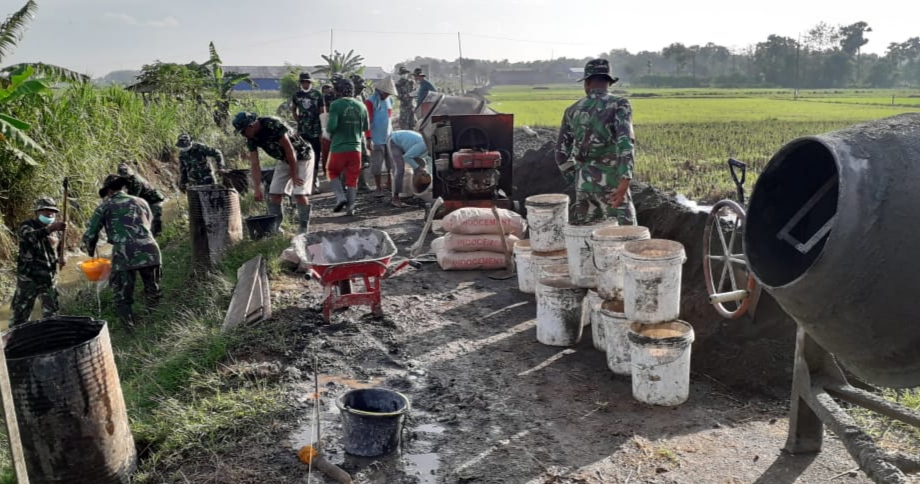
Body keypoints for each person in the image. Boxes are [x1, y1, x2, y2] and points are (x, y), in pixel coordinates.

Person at [555, 59, 636, 226]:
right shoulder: (620, 104)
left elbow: (561, 154)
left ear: (587, 82)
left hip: (583, 186)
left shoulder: (572, 110)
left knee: (588, 238)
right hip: (613, 186)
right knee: (624, 237)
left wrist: (577, 178)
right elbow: (625, 142)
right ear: (608, 82)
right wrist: (625, 179)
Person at [83, 175, 162, 328]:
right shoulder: (141, 201)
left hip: (125, 253)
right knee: (153, 289)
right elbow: (149, 223)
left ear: (109, 191)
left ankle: (129, 329)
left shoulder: (105, 206)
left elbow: (90, 234)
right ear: (123, 188)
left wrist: (91, 251)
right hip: (150, 248)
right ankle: (154, 323)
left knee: (122, 296)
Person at [233, 111, 315, 234]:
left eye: (243, 131)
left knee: (299, 192)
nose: (243, 135)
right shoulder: (251, 139)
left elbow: (290, 150)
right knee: (275, 193)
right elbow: (255, 164)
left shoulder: (272, 124)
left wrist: (294, 174)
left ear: (251, 126)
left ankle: (303, 229)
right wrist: (256, 188)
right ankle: (276, 229)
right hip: (284, 160)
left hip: (302, 156)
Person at [9, 197, 67, 326]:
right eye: (46, 210)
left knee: (52, 314)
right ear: (37, 212)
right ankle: (15, 342)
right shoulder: (27, 226)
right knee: (20, 316)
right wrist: (50, 229)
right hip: (28, 278)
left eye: (53, 211)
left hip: (48, 278)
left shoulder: (57, 231)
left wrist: (62, 257)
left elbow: (59, 249)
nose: (50, 213)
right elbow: (30, 237)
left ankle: (50, 340)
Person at [326, 77, 369, 217]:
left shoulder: (335, 105)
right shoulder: (361, 106)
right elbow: (365, 127)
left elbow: (331, 127)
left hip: (339, 147)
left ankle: (340, 197)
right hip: (356, 148)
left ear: (338, 90)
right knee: (352, 178)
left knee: (332, 171)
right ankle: (351, 208)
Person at [291, 72, 326, 192]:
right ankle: (304, 181)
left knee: (316, 156)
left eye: (308, 82)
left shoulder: (317, 94)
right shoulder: (296, 95)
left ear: (311, 82)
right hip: (303, 131)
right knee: (303, 155)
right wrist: (299, 121)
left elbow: (322, 111)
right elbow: (293, 109)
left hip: (316, 130)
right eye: (303, 82)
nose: (305, 84)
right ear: (300, 83)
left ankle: (314, 182)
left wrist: (322, 130)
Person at [365, 76, 397, 198]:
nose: (387, 96)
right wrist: (368, 138)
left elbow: (389, 119)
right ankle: (378, 187)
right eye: (386, 93)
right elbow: (368, 122)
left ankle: (389, 183)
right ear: (380, 91)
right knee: (377, 164)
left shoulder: (390, 101)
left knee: (391, 163)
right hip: (376, 138)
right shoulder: (370, 101)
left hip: (388, 136)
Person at [117, 163, 166, 237]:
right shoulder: (128, 180)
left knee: (154, 219)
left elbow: (133, 198)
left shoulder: (137, 181)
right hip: (146, 201)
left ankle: (158, 236)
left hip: (155, 200)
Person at [388, 130, 431, 207]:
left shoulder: (429, 150)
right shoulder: (423, 145)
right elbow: (407, 157)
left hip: (405, 144)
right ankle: (395, 198)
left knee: (421, 164)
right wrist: (418, 168)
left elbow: (428, 165)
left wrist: (421, 170)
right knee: (400, 169)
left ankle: (416, 193)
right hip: (394, 141)